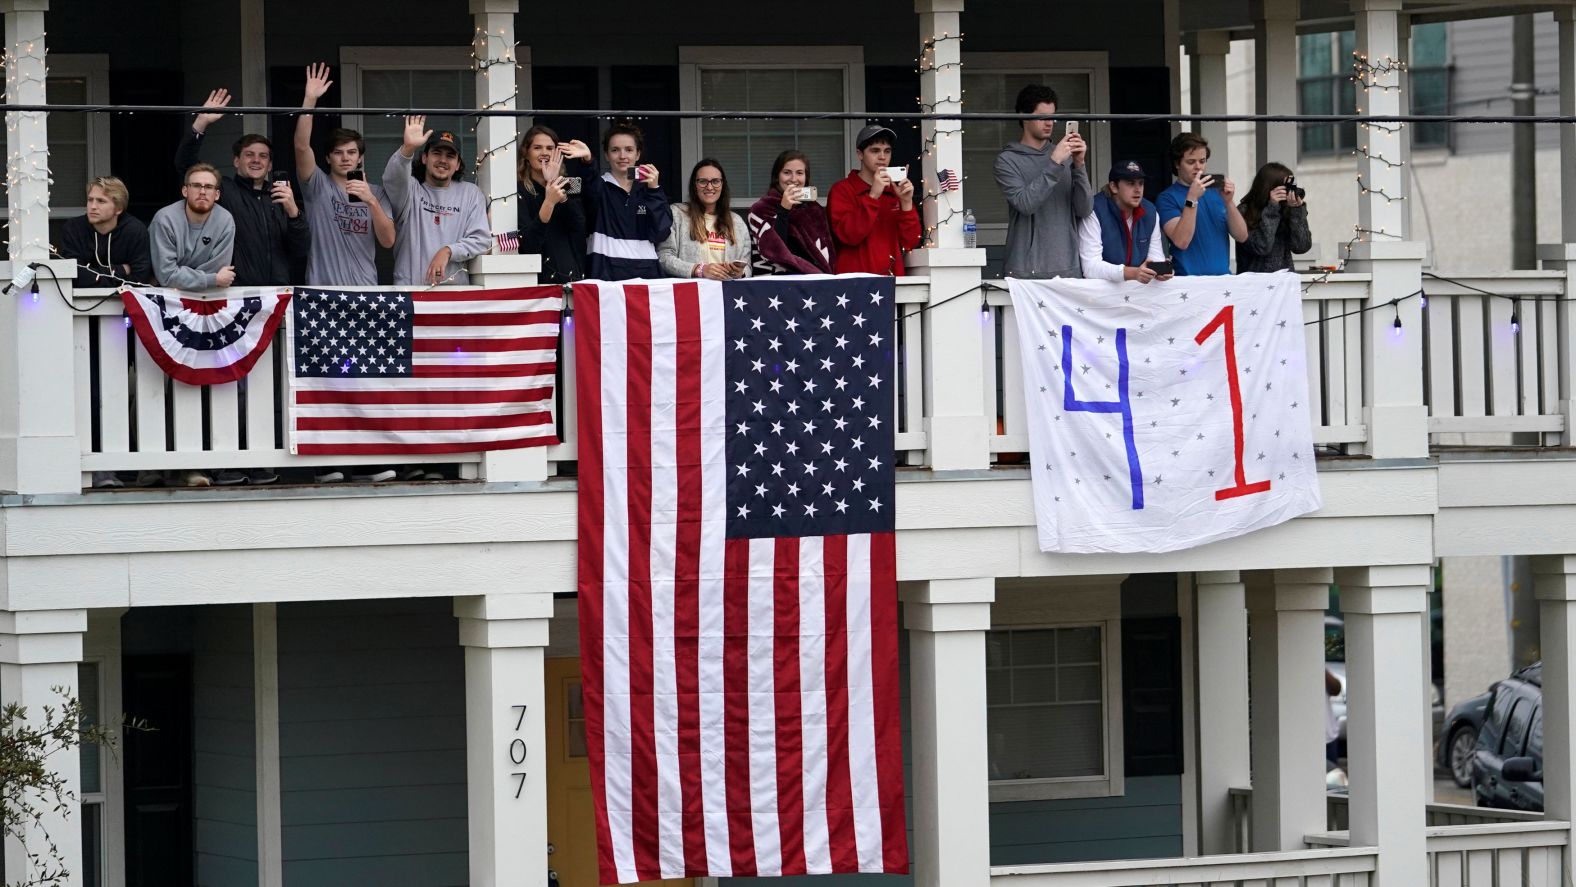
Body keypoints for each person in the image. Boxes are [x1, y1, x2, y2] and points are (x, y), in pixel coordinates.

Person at [175, 88, 310, 286]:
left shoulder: (281, 197)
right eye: (249, 155)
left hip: (277, 294)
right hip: (237, 293)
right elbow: (185, 164)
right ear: (236, 161)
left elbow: (300, 249)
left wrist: (293, 212)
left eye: (263, 156)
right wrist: (201, 122)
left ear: (270, 165)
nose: (256, 160)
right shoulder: (224, 191)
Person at [294, 63, 396, 287]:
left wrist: (371, 201)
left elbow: (388, 241)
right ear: (328, 158)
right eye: (338, 153)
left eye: (351, 152)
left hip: (365, 289)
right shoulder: (317, 184)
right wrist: (310, 100)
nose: (345, 158)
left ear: (360, 157)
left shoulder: (377, 193)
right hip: (322, 291)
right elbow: (301, 147)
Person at [994, 84, 1093, 279]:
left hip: (1068, 269)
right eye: (1042, 117)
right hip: (1026, 273)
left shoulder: (1066, 156)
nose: (1050, 123)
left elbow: (1085, 209)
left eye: (1052, 116)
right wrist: (1055, 163)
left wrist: (1079, 165)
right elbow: (1026, 204)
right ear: (1023, 116)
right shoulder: (1006, 160)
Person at [382, 116, 493, 286]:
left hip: (455, 295)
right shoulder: (410, 190)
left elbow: (481, 240)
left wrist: (448, 251)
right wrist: (408, 148)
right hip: (411, 293)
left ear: (457, 164)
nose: (443, 160)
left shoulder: (471, 193)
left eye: (450, 156)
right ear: (425, 158)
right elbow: (393, 178)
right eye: (436, 153)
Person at [559, 120, 670, 281]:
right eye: (615, 150)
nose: (622, 156)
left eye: (629, 150)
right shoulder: (599, 186)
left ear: (638, 154)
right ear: (606, 155)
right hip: (605, 277)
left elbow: (661, 232)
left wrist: (654, 191)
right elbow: (590, 187)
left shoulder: (649, 190)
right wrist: (588, 161)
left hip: (647, 278)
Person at [828, 123, 921, 275]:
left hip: (891, 283)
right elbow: (849, 235)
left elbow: (910, 242)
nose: (882, 157)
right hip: (853, 284)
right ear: (860, 154)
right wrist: (873, 196)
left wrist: (906, 203)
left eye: (887, 151)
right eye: (875, 151)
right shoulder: (842, 189)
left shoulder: (895, 191)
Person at [1157, 132, 1248, 276]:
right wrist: (1192, 198)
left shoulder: (1217, 192)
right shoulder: (1167, 198)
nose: (1198, 167)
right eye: (1191, 162)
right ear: (1177, 164)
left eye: (1202, 161)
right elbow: (1181, 241)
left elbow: (1242, 236)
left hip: (1223, 279)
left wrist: (1229, 202)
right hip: (1188, 282)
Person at [516, 124, 589, 284]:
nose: (544, 153)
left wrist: (556, 189)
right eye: (537, 148)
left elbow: (579, 227)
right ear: (526, 154)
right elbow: (528, 243)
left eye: (550, 148)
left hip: (571, 279)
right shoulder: (518, 191)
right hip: (537, 283)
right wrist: (549, 202)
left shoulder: (568, 186)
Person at [1078, 160, 1171, 284]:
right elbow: (1090, 267)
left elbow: (1155, 257)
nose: (1138, 189)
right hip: (1100, 297)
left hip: (1137, 295)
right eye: (1131, 183)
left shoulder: (1150, 211)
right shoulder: (1095, 210)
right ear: (1113, 187)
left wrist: (1160, 271)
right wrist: (1132, 273)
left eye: (1141, 183)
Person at [659, 159, 752, 280]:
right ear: (694, 185)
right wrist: (699, 270)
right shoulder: (677, 214)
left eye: (715, 181)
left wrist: (740, 273)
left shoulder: (737, 222)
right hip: (691, 294)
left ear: (722, 185)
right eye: (703, 181)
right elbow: (663, 257)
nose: (709, 187)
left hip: (727, 294)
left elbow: (748, 267)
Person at [747, 149, 835, 276]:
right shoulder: (761, 209)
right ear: (777, 176)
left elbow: (825, 256)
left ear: (806, 177)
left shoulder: (815, 211)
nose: (794, 179)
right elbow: (775, 250)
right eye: (787, 173)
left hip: (812, 285)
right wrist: (784, 210)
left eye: (799, 173)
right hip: (775, 284)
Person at [150, 164, 236, 292]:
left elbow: (217, 270)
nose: (202, 192)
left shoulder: (225, 220)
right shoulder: (165, 219)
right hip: (168, 299)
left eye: (208, 187)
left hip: (210, 297)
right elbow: (166, 275)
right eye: (196, 185)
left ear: (217, 194)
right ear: (185, 191)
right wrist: (212, 279)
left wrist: (181, 277)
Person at [59, 176, 153, 289]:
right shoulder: (73, 229)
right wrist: (122, 270)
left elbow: (140, 280)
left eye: (101, 201)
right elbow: (73, 276)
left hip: (122, 303)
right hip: (79, 303)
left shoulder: (134, 231)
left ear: (118, 209)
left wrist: (92, 277)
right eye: (90, 200)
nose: (93, 207)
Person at [1237, 161, 1312, 274]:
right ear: (1270, 188)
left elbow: (1301, 246)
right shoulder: (1245, 211)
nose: (1288, 191)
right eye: (1285, 187)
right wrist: (1272, 208)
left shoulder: (1286, 209)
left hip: (1283, 284)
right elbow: (1262, 246)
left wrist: (1297, 211)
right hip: (1253, 284)